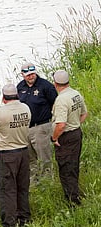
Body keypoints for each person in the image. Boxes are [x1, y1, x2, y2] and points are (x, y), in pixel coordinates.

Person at [0, 84, 31, 227]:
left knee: (7, 190)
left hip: (7, 155)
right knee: (22, 187)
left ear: (3, 97)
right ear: (17, 95)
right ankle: (24, 218)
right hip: (24, 152)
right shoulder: (26, 108)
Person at [51, 70, 88, 206]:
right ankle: (74, 193)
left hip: (65, 136)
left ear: (55, 83)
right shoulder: (75, 94)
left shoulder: (61, 100)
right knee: (73, 164)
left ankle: (72, 200)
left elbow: (61, 125)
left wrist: (54, 138)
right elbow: (84, 114)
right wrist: (75, 124)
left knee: (66, 167)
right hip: (76, 133)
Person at [17, 62, 58, 184]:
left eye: (33, 74)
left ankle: (48, 182)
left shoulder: (45, 86)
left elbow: (55, 104)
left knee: (44, 157)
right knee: (30, 159)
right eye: (28, 75)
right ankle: (34, 183)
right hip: (25, 128)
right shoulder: (20, 87)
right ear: (23, 75)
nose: (31, 76)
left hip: (41, 126)